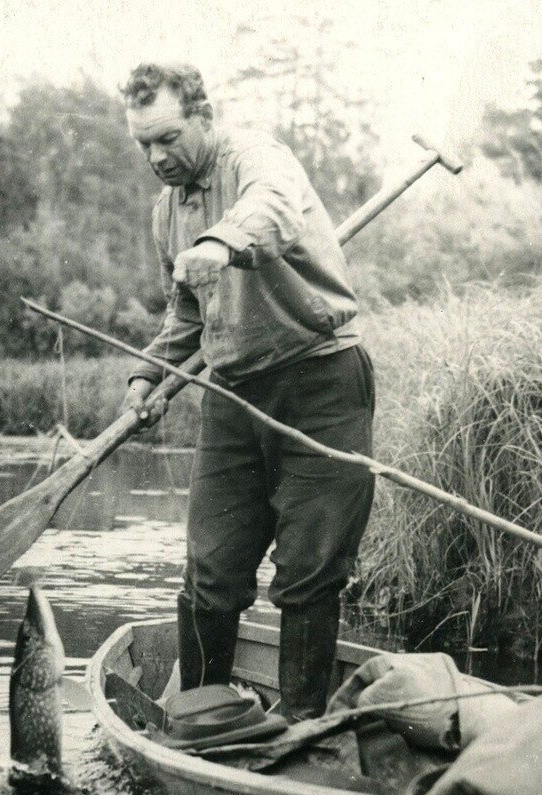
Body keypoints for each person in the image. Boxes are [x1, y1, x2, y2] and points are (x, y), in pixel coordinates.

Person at [120, 62, 375, 722]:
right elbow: (185, 314)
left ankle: (300, 728)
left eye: (169, 137)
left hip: (319, 385)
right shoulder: (164, 214)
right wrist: (147, 378)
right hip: (232, 399)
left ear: (205, 118)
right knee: (211, 570)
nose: (157, 156)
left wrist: (223, 240)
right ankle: (200, 718)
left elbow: (271, 210)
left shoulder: (256, 157)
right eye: (144, 144)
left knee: (309, 572)